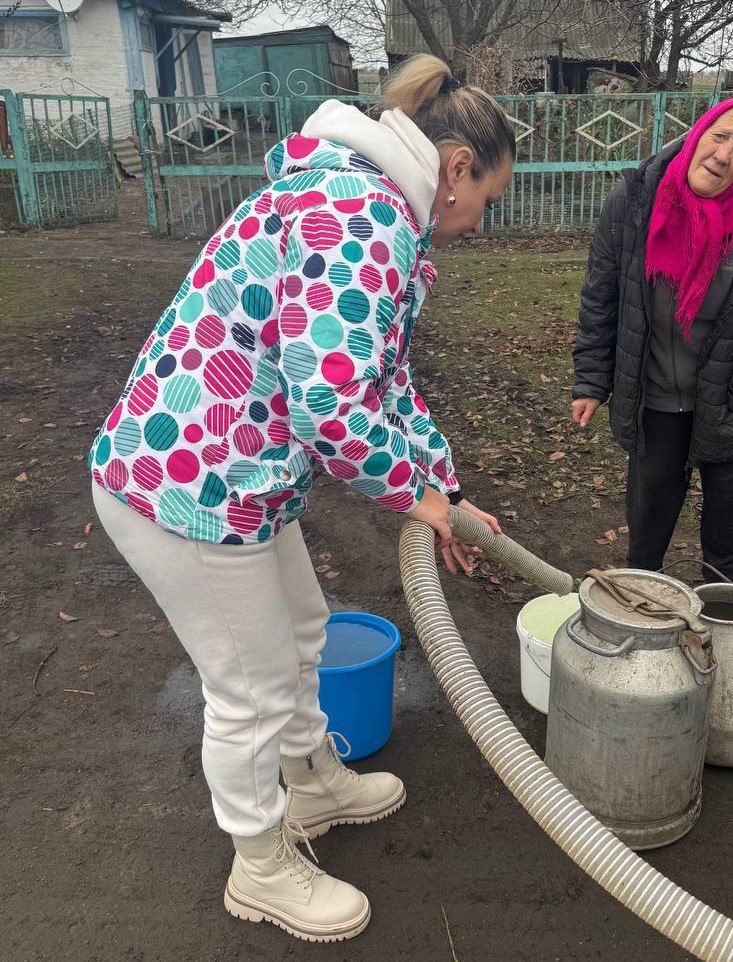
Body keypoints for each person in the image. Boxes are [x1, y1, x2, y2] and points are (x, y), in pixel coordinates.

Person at [88, 55, 515, 943]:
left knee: (305, 628)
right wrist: (416, 497)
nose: (481, 222)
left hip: (232, 473)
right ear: (455, 168)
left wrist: (446, 493)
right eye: (490, 198)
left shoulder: (365, 203)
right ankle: (259, 868)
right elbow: (332, 406)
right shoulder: (358, 214)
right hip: (190, 485)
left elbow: (384, 382)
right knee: (248, 685)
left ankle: (314, 782)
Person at [571, 97, 733, 584]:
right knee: (649, 511)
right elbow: (604, 297)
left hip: (728, 404)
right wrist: (592, 380)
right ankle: (644, 604)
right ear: (698, 133)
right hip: (654, 396)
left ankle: (725, 622)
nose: (725, 155)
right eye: (720, 136)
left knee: (727, 524)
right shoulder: (634, 201)